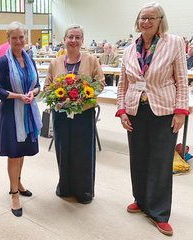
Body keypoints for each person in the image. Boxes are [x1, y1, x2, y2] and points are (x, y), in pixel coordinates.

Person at [116, 2, 189, 236]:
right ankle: (141, 199)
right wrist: (122, 110)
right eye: (142, 18)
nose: (145, 22)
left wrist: (180, 111)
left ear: (160, 20)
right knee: (138, 158)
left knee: (159, 161)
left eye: (151, 18)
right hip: (136, 110)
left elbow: (181, 80)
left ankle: (158, 212)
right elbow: (122, 84)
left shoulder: (174, 43)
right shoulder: (129, 50)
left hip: (164, 111)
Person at [44, 24, 104, 204]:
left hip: (83, 114)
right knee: (63, 150)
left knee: (83, 152)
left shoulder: (91, 60)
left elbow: (100, 83)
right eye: (70, 37)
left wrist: (83, 96)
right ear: (64, 39)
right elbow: (47, 86)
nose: (73, 40)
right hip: (61, 114)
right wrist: (56, 97)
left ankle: (84, 191)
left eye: (77, 37)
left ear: (82, 41)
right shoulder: (55, 62)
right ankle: (65, 187)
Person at [0, 21, 42, 217]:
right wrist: (18, 96)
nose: (18, 41)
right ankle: (14, 194)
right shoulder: (3, 62)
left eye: (21, 37)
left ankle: (18, 182)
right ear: (8, 39)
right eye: (14, 38)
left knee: (21, 151)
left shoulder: (29, 59)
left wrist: (32, 93)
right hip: (11, 113)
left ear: (25, 38)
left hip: (28, 111)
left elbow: (38, 84)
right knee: (14, 153)